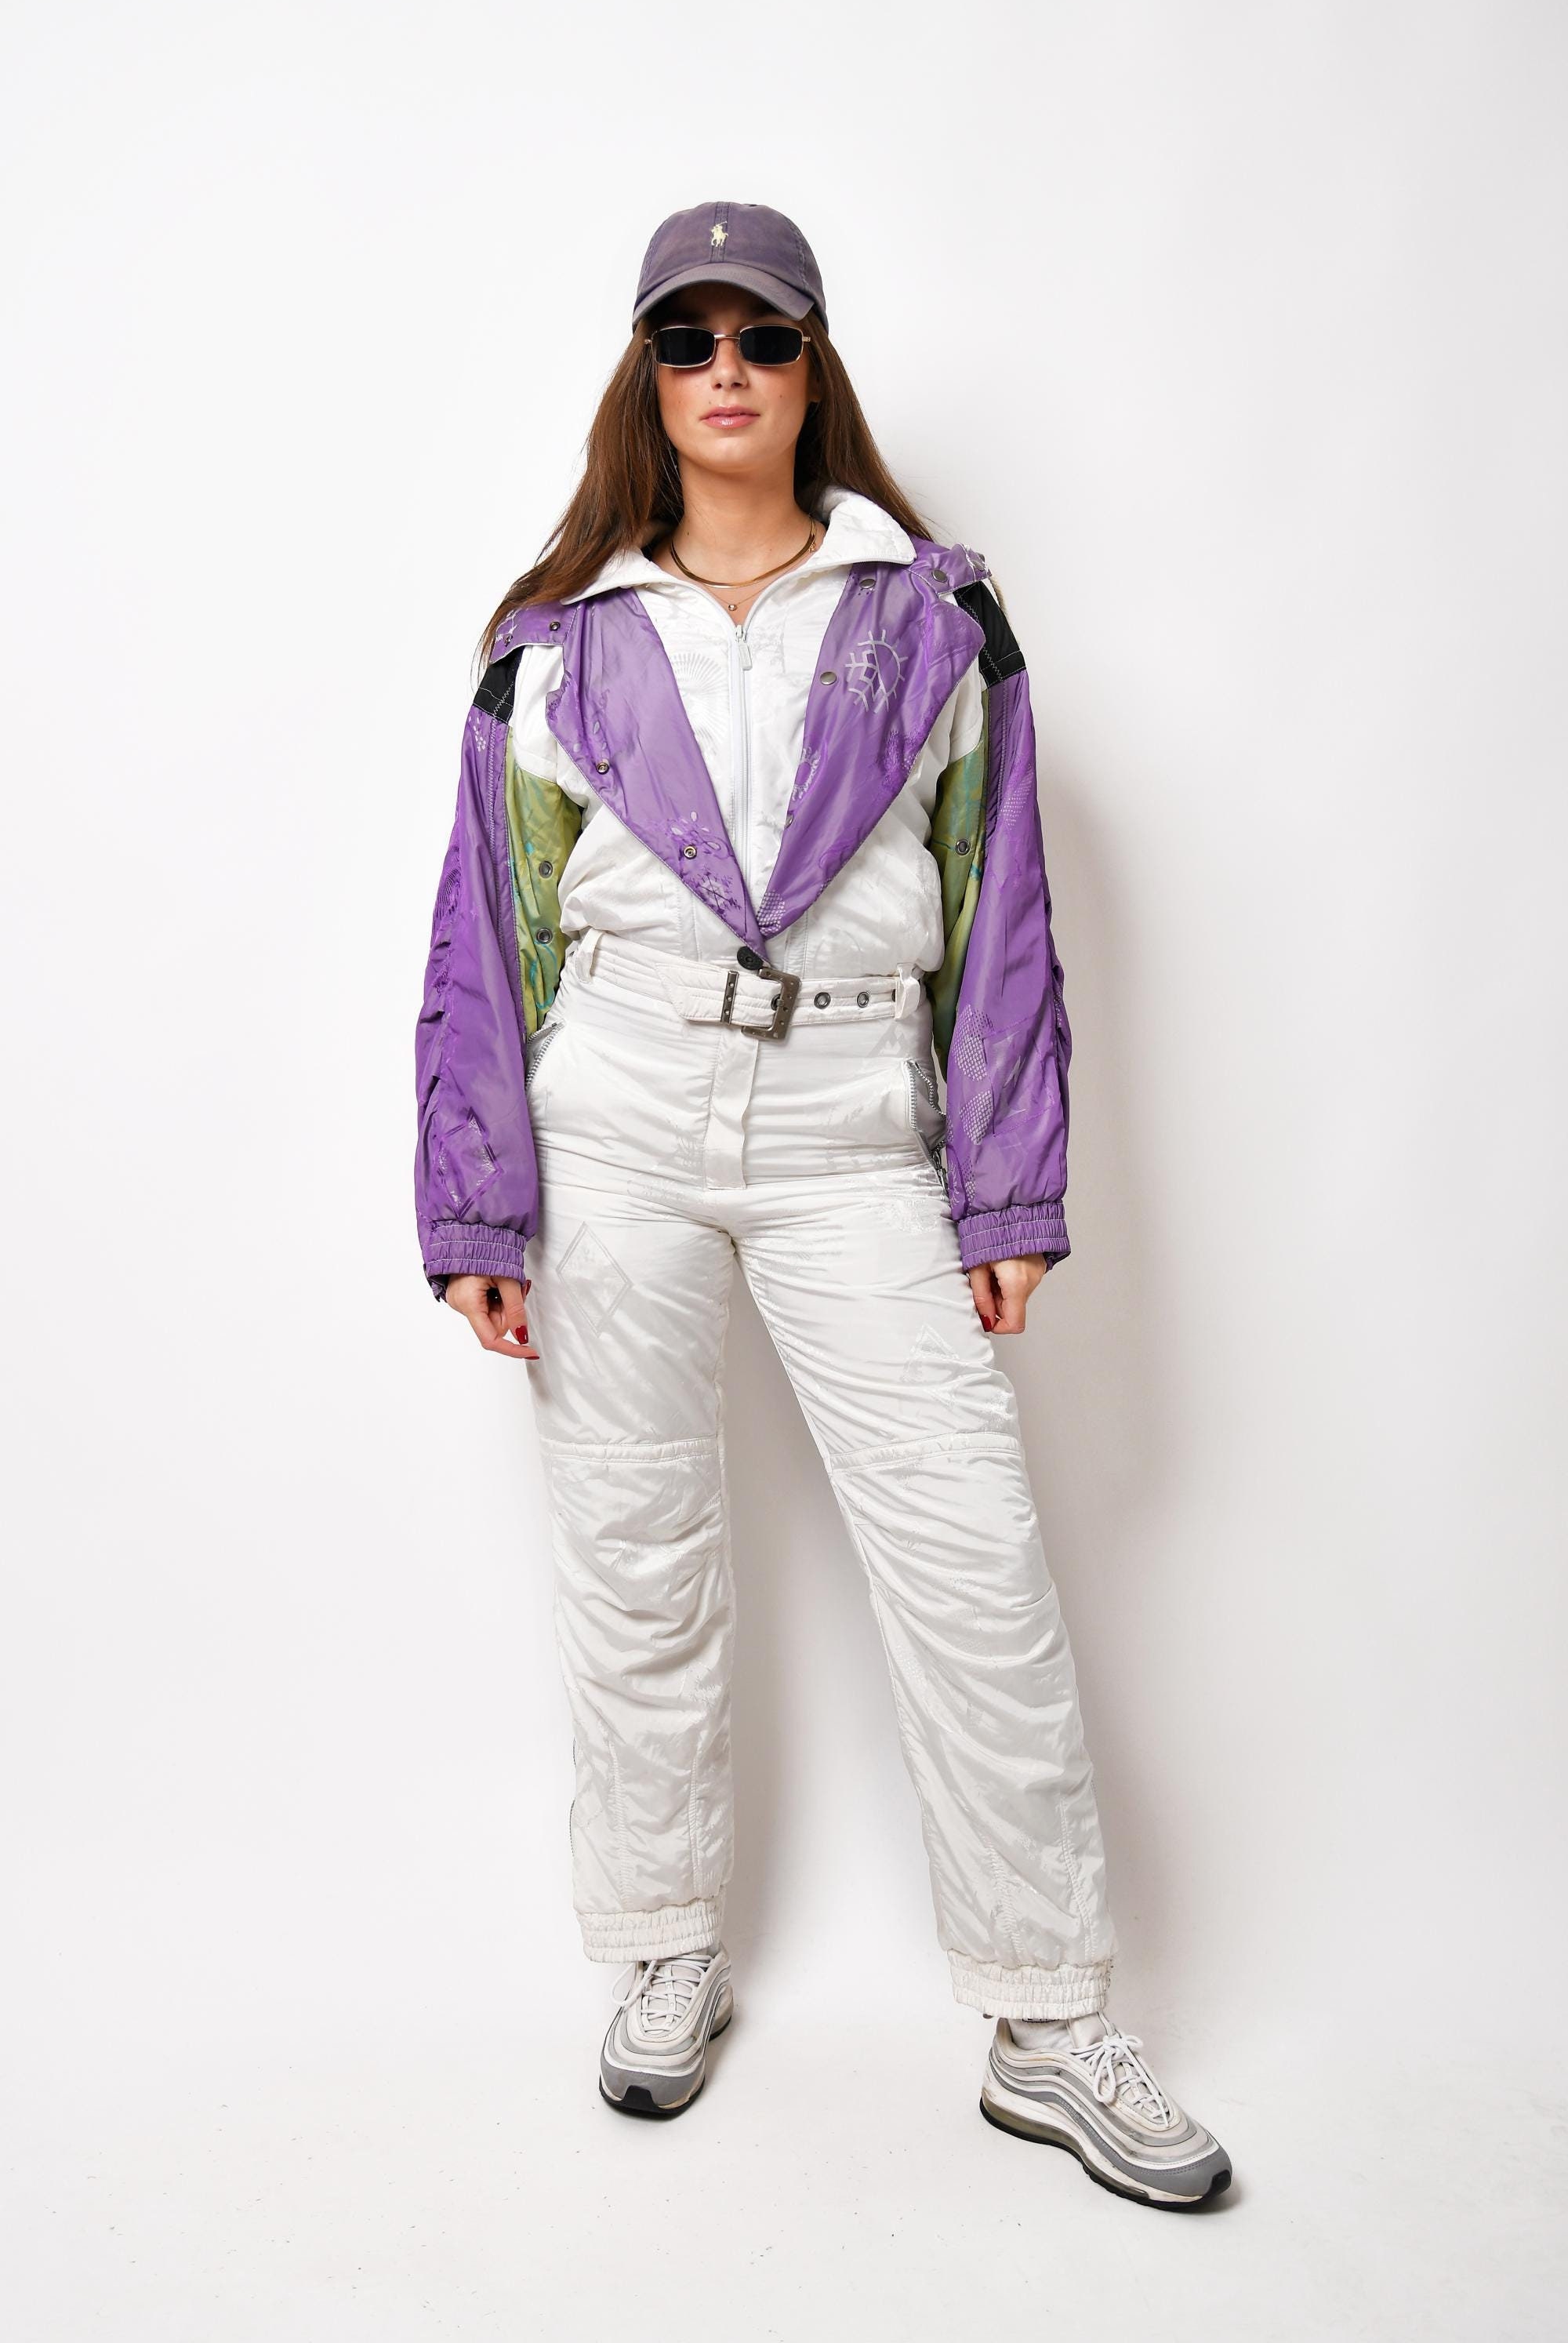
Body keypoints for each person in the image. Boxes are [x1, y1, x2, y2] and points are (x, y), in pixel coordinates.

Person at [412, 200, 1232, 2208]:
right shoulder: (558, 639)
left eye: (760, 337)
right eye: (686, 339)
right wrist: (479, 1207)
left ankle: (1045, 2022)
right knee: (635, 1557)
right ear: (645, 375)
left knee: (972, 1562)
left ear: (809, 365)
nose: (725, 370)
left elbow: (1002, 909)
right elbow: (487, 932)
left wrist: (1004, 1187)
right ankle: (661, 1946)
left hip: (858, 1118)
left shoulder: (936, 617)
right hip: (617, 1110)